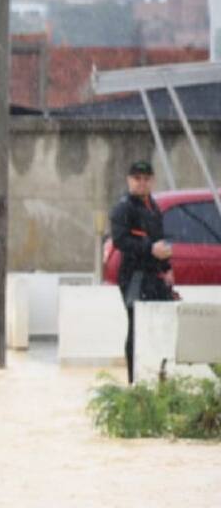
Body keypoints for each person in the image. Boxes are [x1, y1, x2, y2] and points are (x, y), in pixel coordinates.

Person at [109, 160, 175, 384]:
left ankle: (160, 374)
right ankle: (133, 380)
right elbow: (120, 240)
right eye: (137, 178)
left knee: (163, 323)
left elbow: (159, 240)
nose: (142, 183)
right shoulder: (123, 207)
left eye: (146, 179)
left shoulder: (153, 206)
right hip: (134, 277)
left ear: (152, 181)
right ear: (129, 180)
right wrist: (149, 249)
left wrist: (167, 269)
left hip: (154, 275)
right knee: (136, 325)